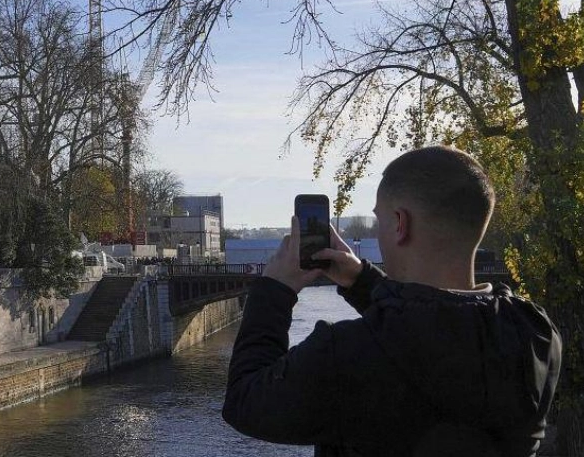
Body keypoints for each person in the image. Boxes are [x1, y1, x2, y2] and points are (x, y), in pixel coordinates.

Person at [222, 146, 561, 456]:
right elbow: (432, 334)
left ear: (400, 224)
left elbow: (245, 401)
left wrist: (274, 290)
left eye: (380, 220)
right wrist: (362, 283)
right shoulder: (534, 333)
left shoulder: (344, 355)